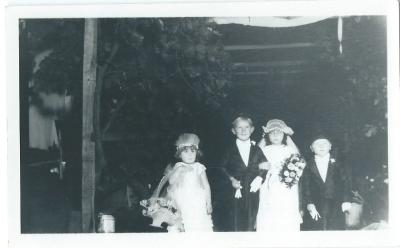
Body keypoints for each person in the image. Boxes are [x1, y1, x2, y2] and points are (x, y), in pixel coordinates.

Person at [220, 114, 269, 231]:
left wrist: (259, 178)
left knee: (251, 220)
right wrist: (231, 180)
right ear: (233, 131)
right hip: (235, 190)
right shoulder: (228, 149)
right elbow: (221, 167)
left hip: (252, 189)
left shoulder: (257, 149)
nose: (243, 130)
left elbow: (265, 165)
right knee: (235, 221)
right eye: (239, 128)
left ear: (252, 130)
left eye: (246, 127)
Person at [156, 133, 213, 232]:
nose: (190, 154)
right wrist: (179, 170)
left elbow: (206, 186)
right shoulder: (178, 165)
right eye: (185, 152)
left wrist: (209, 203)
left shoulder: (199, 166)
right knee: (183, 221)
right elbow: (171, 181)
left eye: (193, 151)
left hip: (197, 199)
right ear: (179, 154)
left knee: (198, 222)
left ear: (197, 153)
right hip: (181, 199)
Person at [256, 119, 303, 232]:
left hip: (286, 184)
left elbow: (299, 160)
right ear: (267, 135)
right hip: (269, 183)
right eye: (272, 133)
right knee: (269, 207)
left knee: (286, 206)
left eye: (279, 133)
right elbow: (255, 155)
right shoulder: (264, 150)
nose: (275, 135)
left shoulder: (289, 149)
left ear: (284, 135)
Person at [302, 135, 352, 230]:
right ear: (311, 148)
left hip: (336, 203)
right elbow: (306, 185)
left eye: (324, 143)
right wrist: (309, 203)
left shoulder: (338, 163)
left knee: (336, 229)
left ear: (330, 146)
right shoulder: (308, 165)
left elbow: (346, 182)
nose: (321, 146)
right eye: (317, 144)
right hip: (316, 205)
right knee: (316, 229)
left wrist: (346, 200)